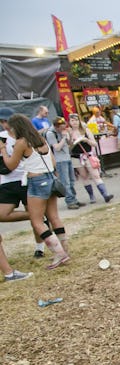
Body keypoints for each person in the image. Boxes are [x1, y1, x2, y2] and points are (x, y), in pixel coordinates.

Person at [1, 114, 71, 269]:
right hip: (50, 179)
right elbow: (52, 161)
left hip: (36, 181)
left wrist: (4, 151)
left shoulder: (21, 143)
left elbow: (11, 165)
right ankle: (65, 250)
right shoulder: (40, 139)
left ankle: (59, 254)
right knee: (54, 217)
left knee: (37, 221)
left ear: (15, 128)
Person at [0, 107, 45, 258]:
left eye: (6, 121)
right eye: (2, 121)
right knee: (2, 214)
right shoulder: (1, 137)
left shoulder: (25, 137)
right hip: (7, 180)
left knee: (35, 219)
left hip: (26, 178)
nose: (5, 124)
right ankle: (34, 215)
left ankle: (40, 248)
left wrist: (5, 151)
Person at [68, 113, 114, 203]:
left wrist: (86, 140)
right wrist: (72, 142)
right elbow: (68, 149)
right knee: (84, 177)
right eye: (72, 120)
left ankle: (105, 195)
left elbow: (95, 144)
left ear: (79, 121)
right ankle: (91, 196)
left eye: (76, 120)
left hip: (88, 156)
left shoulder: (85, 130)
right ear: (69, 122)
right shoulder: (68, 133)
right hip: (76, 157)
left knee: (95, 175)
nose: (75, 122)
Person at [45, 116, 86, 210]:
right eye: (61, 127)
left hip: (67, 157)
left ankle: (74, 199)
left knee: (72, 180)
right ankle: (70, 201)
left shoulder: (63, 131)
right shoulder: (51, 133)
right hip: (60, 160)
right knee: (65, 182)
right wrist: (63, 137)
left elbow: (69, 145)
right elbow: (57, 148)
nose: (63, 129)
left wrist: (69, 136)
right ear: (56, 126)